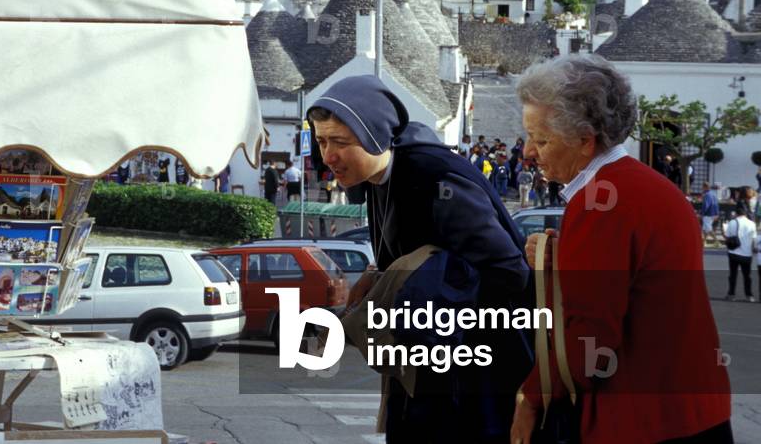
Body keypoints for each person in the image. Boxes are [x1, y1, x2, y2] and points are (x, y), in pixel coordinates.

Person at [511, 55, 731, 444]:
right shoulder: (653, 186)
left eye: (542, 139)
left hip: (643, 421)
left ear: (584, 139)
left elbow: (590, 342)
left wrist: (530, 396)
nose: (529, 151)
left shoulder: (598, 203)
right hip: (696, 410)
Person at [308, 75, 531, 443]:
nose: (328, 156)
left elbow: (511, 273)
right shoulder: (377, 180)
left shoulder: (435, 179)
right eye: (321, 141)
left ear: (376, 136)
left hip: (470, 380)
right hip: (424, 371)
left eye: (341, 142)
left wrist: (429, 298)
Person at [724, 202, 757, 302]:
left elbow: (727, 237)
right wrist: (753, 250)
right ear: (746, 212)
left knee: (732, 275)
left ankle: (731, 294)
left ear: (736, 211)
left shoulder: (732, 222)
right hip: (747, 254)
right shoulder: (752, 224)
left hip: (733, 253)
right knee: (747, 276)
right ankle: (749, 296)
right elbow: (753, 239)